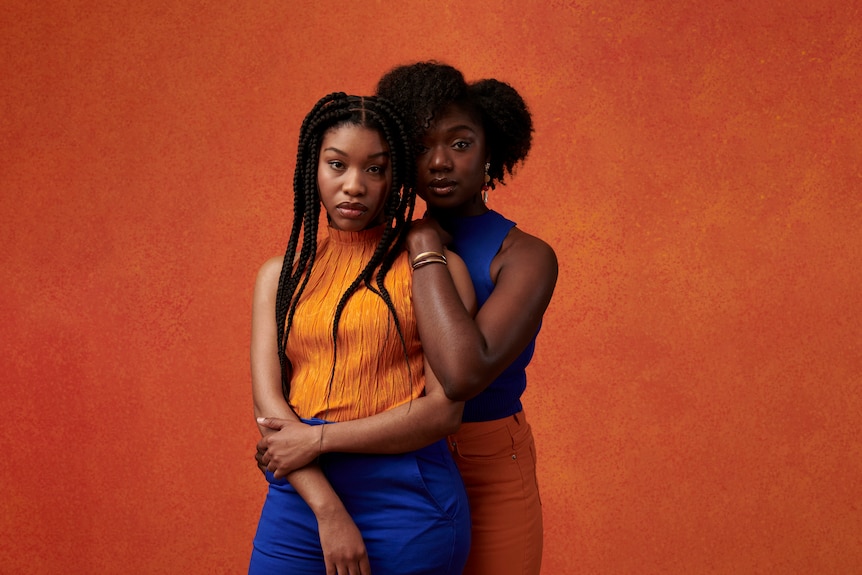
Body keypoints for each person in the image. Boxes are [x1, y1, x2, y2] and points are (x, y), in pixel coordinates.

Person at [257, 63, 558, 575]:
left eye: (460, 145)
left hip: (483, 456)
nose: (439, 162)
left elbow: (462, 376)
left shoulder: (523, 254)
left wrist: (422, 245)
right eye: (420, 147)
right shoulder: (359, 257)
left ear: (491, 153)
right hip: (392, 457)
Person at [248, 92, 475, 575]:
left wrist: (319, 439)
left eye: (374, 169)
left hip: (408, 499)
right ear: (314, 168)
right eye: (337, 165)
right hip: (302, 494)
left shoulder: (433, 270)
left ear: (394, 178)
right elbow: (269, 409)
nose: (354, 186)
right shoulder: (279, 276)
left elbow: (444, 410)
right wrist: (328, 511)